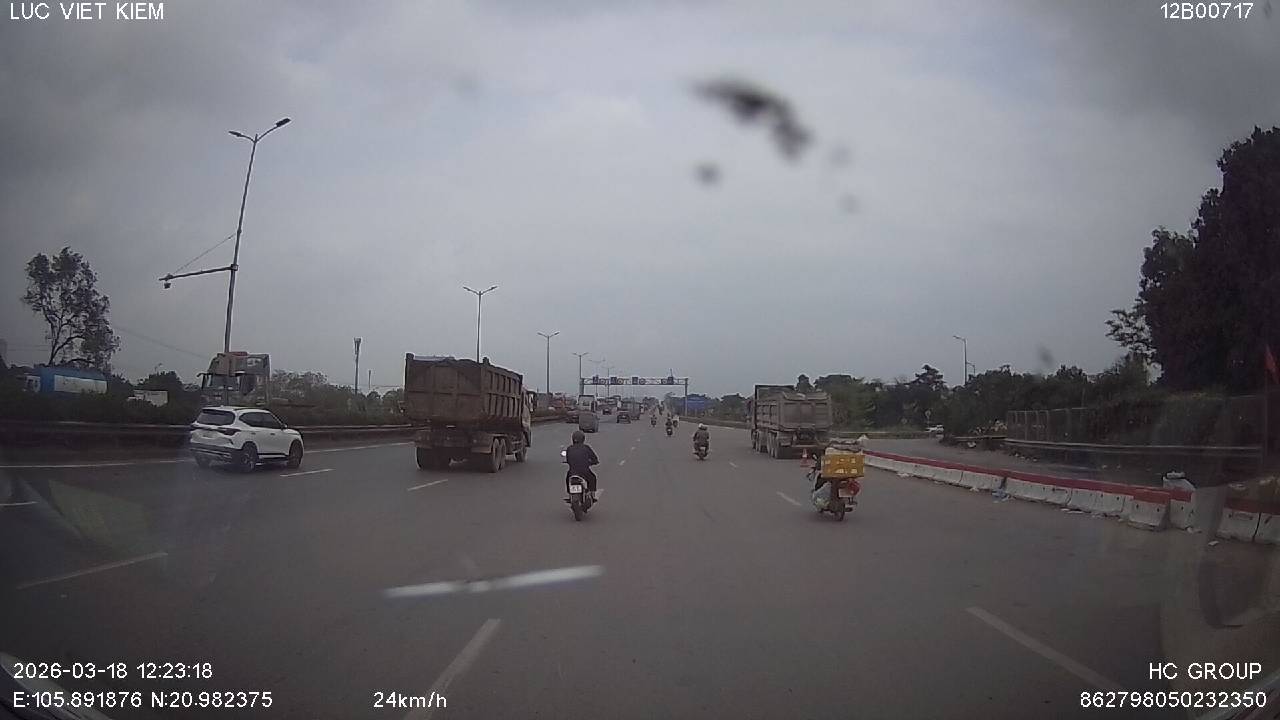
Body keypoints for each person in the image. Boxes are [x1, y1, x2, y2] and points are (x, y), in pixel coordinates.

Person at [564, 430, 601, 500]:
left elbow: (568, 459)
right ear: (583, 439)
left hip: (572, 472)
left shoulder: (569, 448)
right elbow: (594, 458)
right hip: (585, 471)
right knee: (592, 478)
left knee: (567, 479)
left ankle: (569, 494)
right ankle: (592, 494)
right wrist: (593, 462)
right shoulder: (586, 448)